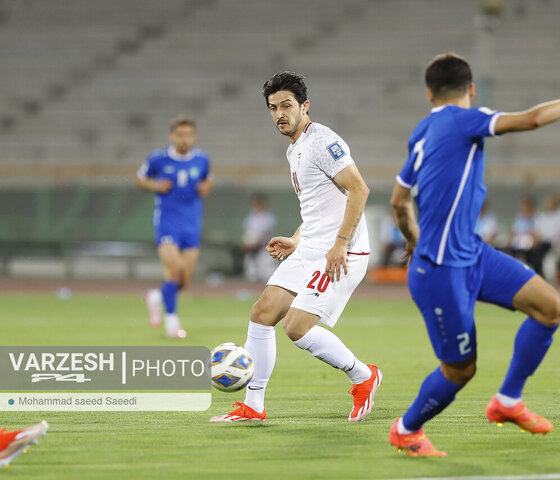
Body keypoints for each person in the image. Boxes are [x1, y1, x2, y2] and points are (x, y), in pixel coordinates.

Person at [389, 52, 560, 456]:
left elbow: (398, 200)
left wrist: (412, 236)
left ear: (429, 93)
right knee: (460, 370)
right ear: (471, 90)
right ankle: (407, 429)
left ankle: (507, 401)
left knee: (550, 307)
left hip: (472, 254)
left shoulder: (422, 131)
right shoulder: (465, 119)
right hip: (440, 270)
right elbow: (530, 119)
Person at [210, 72, 381, 423]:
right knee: (262, 313)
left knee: (296, 327)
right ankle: (253, 406)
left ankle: (364, 376)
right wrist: (297, 239)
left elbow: (359, 190)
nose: (279, 114)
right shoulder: (295, 149)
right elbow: (321, 207)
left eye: (286, 105)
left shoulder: (322, 142)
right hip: (313, 247)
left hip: (342, 253)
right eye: (273, 108)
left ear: (305, 107)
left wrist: (340, 244)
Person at [136, 115, 213, 338]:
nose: (184, 139)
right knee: (174, 269)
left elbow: (208, 179)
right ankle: (172, 323)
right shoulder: (158, 159)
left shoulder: (202, 160)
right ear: (172, 136)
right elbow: (140, 178)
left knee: (183, 280)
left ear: (193, 136)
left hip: (191, 224)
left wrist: (206, 187)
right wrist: (155, 185)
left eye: (188, 135)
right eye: (180, 135)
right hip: (167, 223)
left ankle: (156, 297)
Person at [238, 193, 277, 281]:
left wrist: (255, 242)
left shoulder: (269, 216)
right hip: (251, 251)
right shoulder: (250, 217)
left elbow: (266, 233)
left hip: (265, 250)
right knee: (251, 276)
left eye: (259, 203)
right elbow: (248, 233)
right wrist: (246, 244)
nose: (256, 206)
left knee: (268, 276)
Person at [510, 196, 542, 271]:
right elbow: (515, 232)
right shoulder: (519, 218)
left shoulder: (538, 218)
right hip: (519, 244)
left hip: (533, 245)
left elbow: (539, 234)